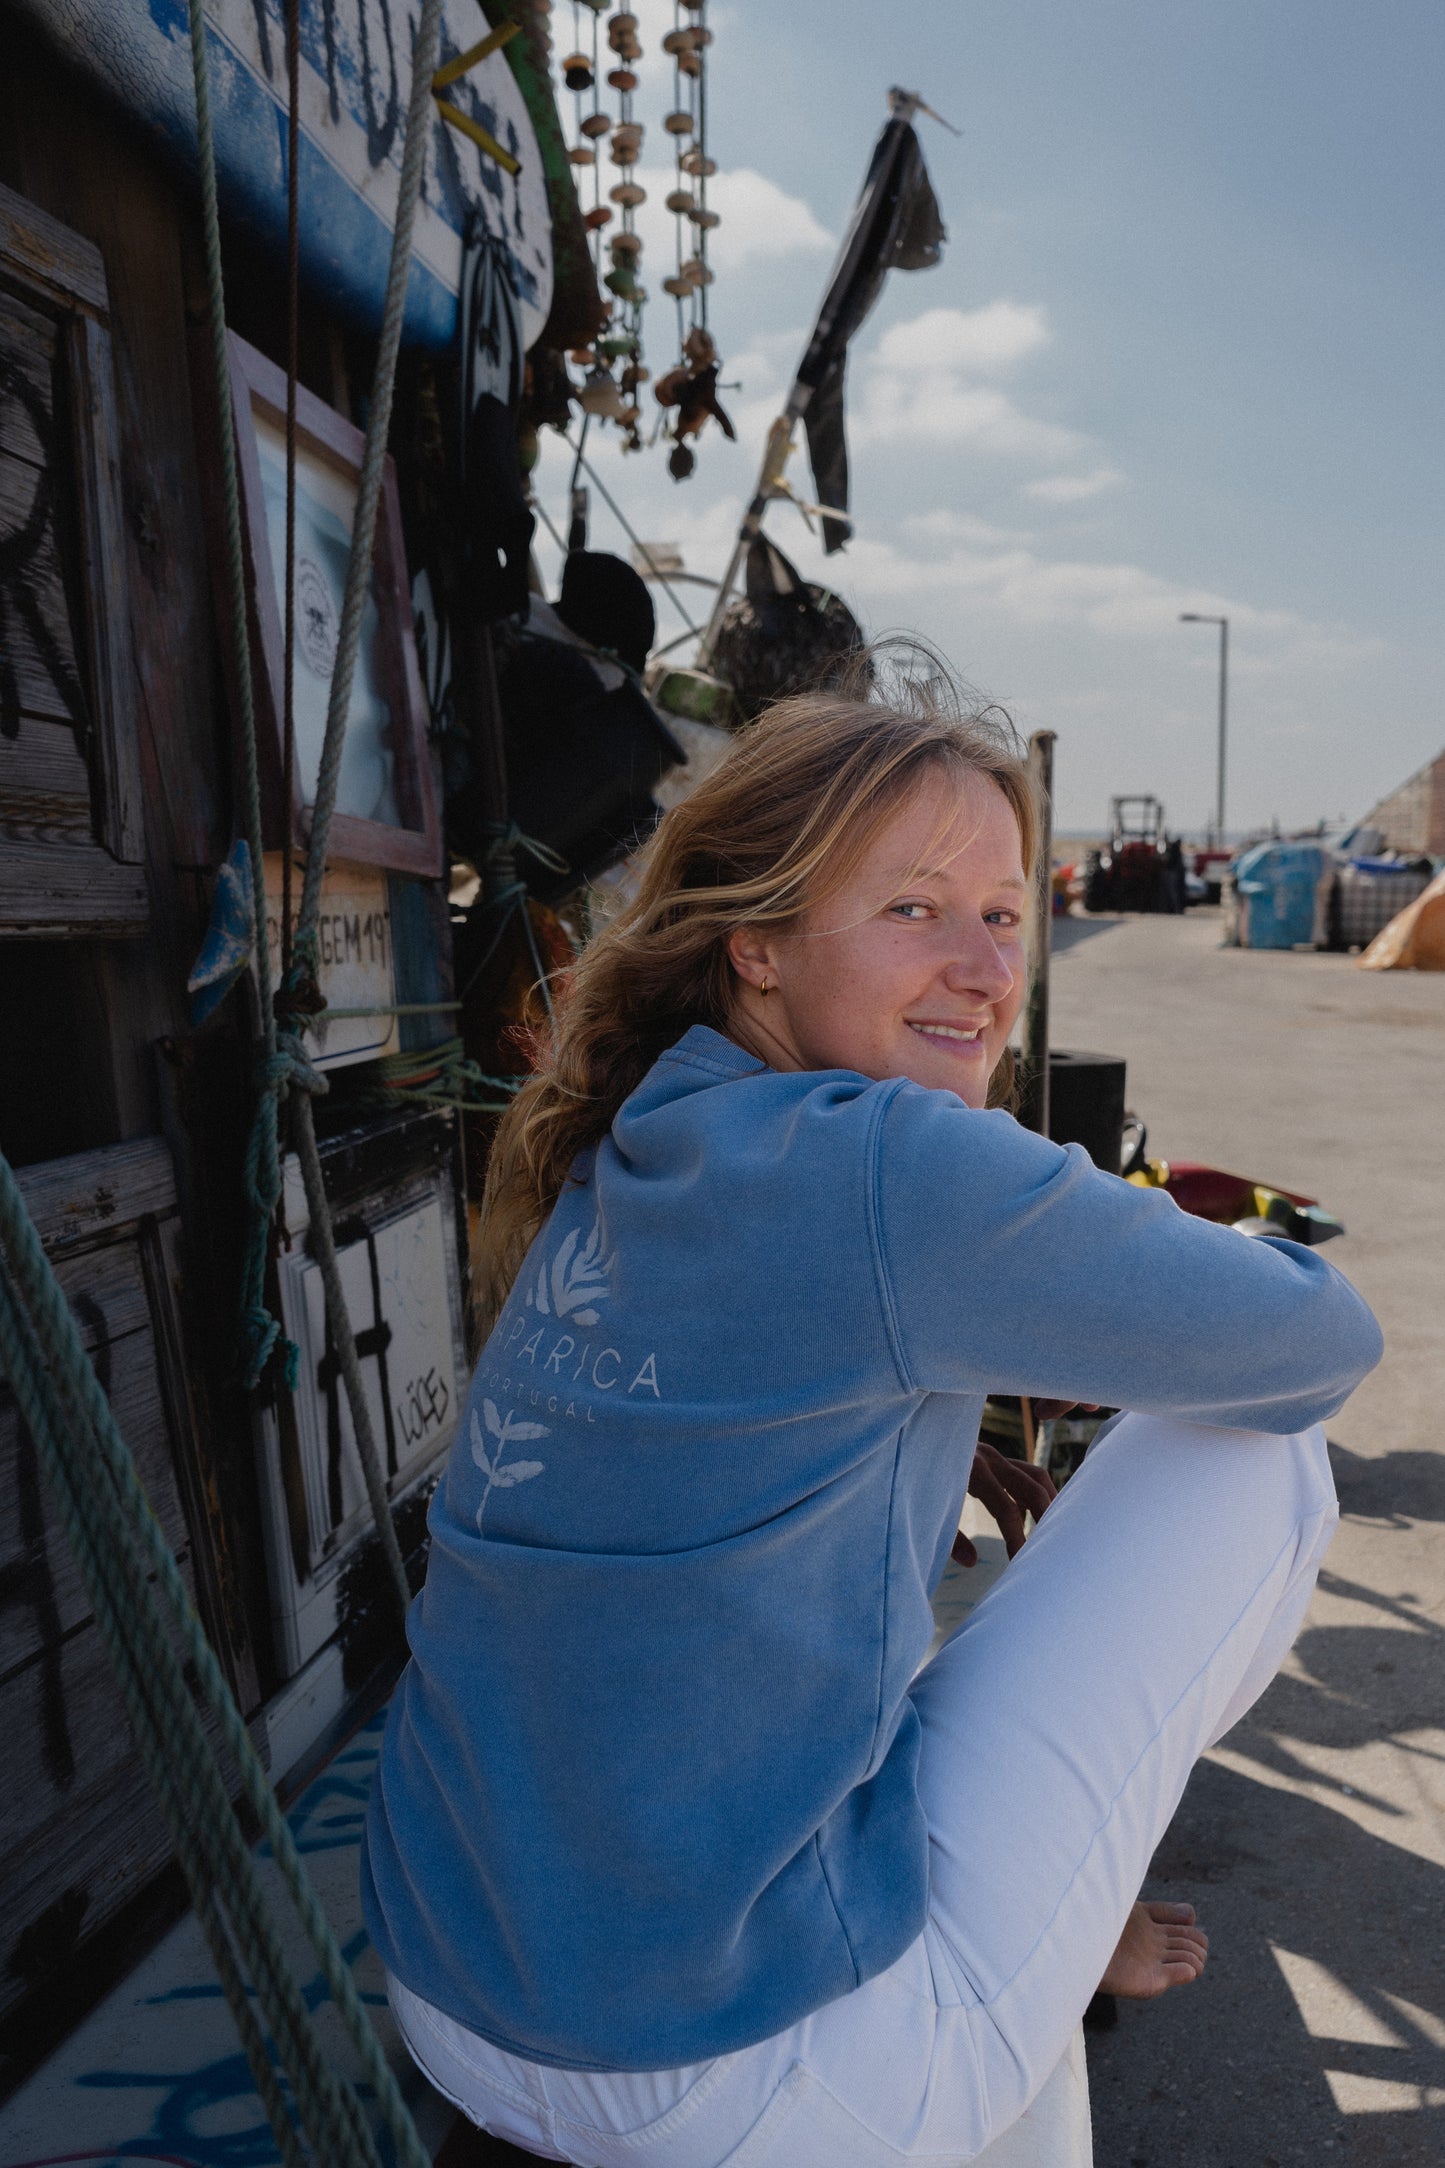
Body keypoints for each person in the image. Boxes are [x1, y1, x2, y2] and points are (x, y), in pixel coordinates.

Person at [362, 666, 1382, 2167]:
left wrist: (938, 1410)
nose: (982, 968)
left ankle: (1013, 1928)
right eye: (913, 909)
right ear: (756, 941)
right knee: (1253, 1446)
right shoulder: (891, 1164)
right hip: (717, 2074)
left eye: (1002, 914)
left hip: (459, 1988)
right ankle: (1051, 1915)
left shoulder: (641, 1138)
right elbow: (1318, 1342)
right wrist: (1120, 1246)